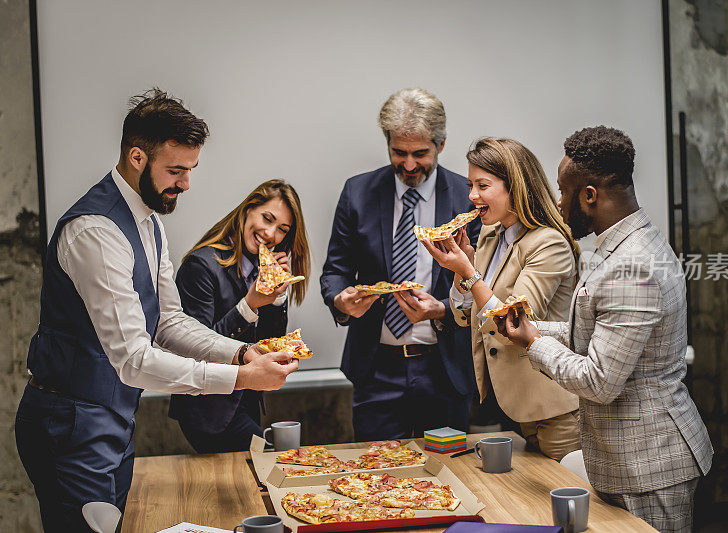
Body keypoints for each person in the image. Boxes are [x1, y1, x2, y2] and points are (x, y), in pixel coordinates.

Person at [14, 89, 299, 532]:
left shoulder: (150, 223)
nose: (185, 183)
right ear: (136, 157)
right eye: (176, 170)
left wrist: (240, 354)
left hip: (114, 415)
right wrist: (239, 378)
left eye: (190, 170)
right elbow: (133, 358)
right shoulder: (96, 232)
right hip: (69, 423)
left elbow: (168, 321)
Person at [496, 126, 713, 532]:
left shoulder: (631, 265)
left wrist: (535, 343)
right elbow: (597, 333)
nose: (558, 203)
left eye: (563, 192)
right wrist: (531, 327)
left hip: (648, 465)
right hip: (629, 458)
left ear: (589, 195)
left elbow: (599, 381)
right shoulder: (622, 244)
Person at [320, 88, 479, 440]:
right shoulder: (357, 192)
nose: (408, 165)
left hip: (446, 367)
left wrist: (444, 309)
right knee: (374, 480)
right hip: (376, 368)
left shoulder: (467, 196)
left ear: (441, 144)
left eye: (420, 154)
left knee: (449, 477)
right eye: (399, 153)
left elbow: (483, 280)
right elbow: (335, 270)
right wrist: (340, 300)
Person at [421, 138, 581, 461]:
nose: (471, 196)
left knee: (565, 504)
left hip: (555, 410)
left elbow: (514, 323)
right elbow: (464, 315)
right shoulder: (490, 235)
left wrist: (469, 272)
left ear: (515, 188)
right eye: (470, 185)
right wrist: (461, 269)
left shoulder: (549, 243)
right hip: (512, 407)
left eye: (483, 185)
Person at [169, 179, 310, 453]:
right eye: (267, 218)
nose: (270, 234)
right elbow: (195, 346)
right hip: (208, 410)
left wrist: (277, 296)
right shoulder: (201, 266)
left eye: (283, 229)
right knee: (267, 465)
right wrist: (249, 304)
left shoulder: (260, 266)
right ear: (248, 209)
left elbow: (270, 342)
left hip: (248, 401)